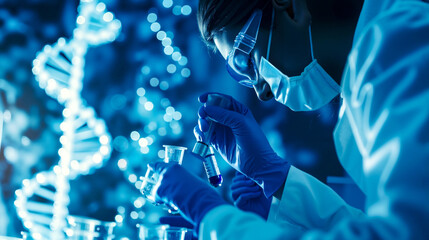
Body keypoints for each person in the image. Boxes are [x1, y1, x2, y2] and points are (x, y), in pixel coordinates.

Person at [150, 0, 429, 239]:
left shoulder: (401, 46)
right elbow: (371, 224)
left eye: (245, 61)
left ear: (290, 7)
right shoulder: (378, 60)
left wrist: (215, 219)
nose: (262, 92)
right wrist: (278, 178)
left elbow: (400, 234)